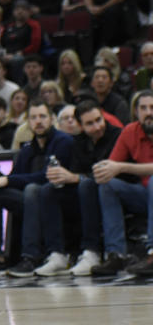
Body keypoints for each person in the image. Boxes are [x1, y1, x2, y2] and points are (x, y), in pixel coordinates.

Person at [0, 101, 75, 277]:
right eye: (33, 117)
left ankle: (30, 257)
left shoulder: (63, 141)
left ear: (52, 119)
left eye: (42, 116)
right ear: (28, 122)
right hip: (31, 201)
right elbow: (15, 179)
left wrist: (7, 179)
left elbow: (46, 176)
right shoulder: (27, 148)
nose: (38, 121)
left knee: (32, 189)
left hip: (58, 199)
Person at [38, 100, 122, 276]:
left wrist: (76, 177)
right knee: (47, 190)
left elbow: (112, 173)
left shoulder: (117, 135)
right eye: (90, 123)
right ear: (80, 126)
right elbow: (76, 171)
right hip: (86, 192)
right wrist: (62, 176)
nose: (98, 126)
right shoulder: (78, 142)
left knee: (87, 185)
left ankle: (92, 252)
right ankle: (57, 254)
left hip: (114, 189)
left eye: (99, 120)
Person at [90, 90, 153, 276]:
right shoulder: (130, 131)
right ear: (136, 112)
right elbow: (112, 166)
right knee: (107, 185)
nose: (148, 112)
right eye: (143, 108)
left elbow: (120, 166)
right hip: (145, 195)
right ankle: (116, 254)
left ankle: (152, 252)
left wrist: (120, 167)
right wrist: (102, 170)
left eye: (152, 107)